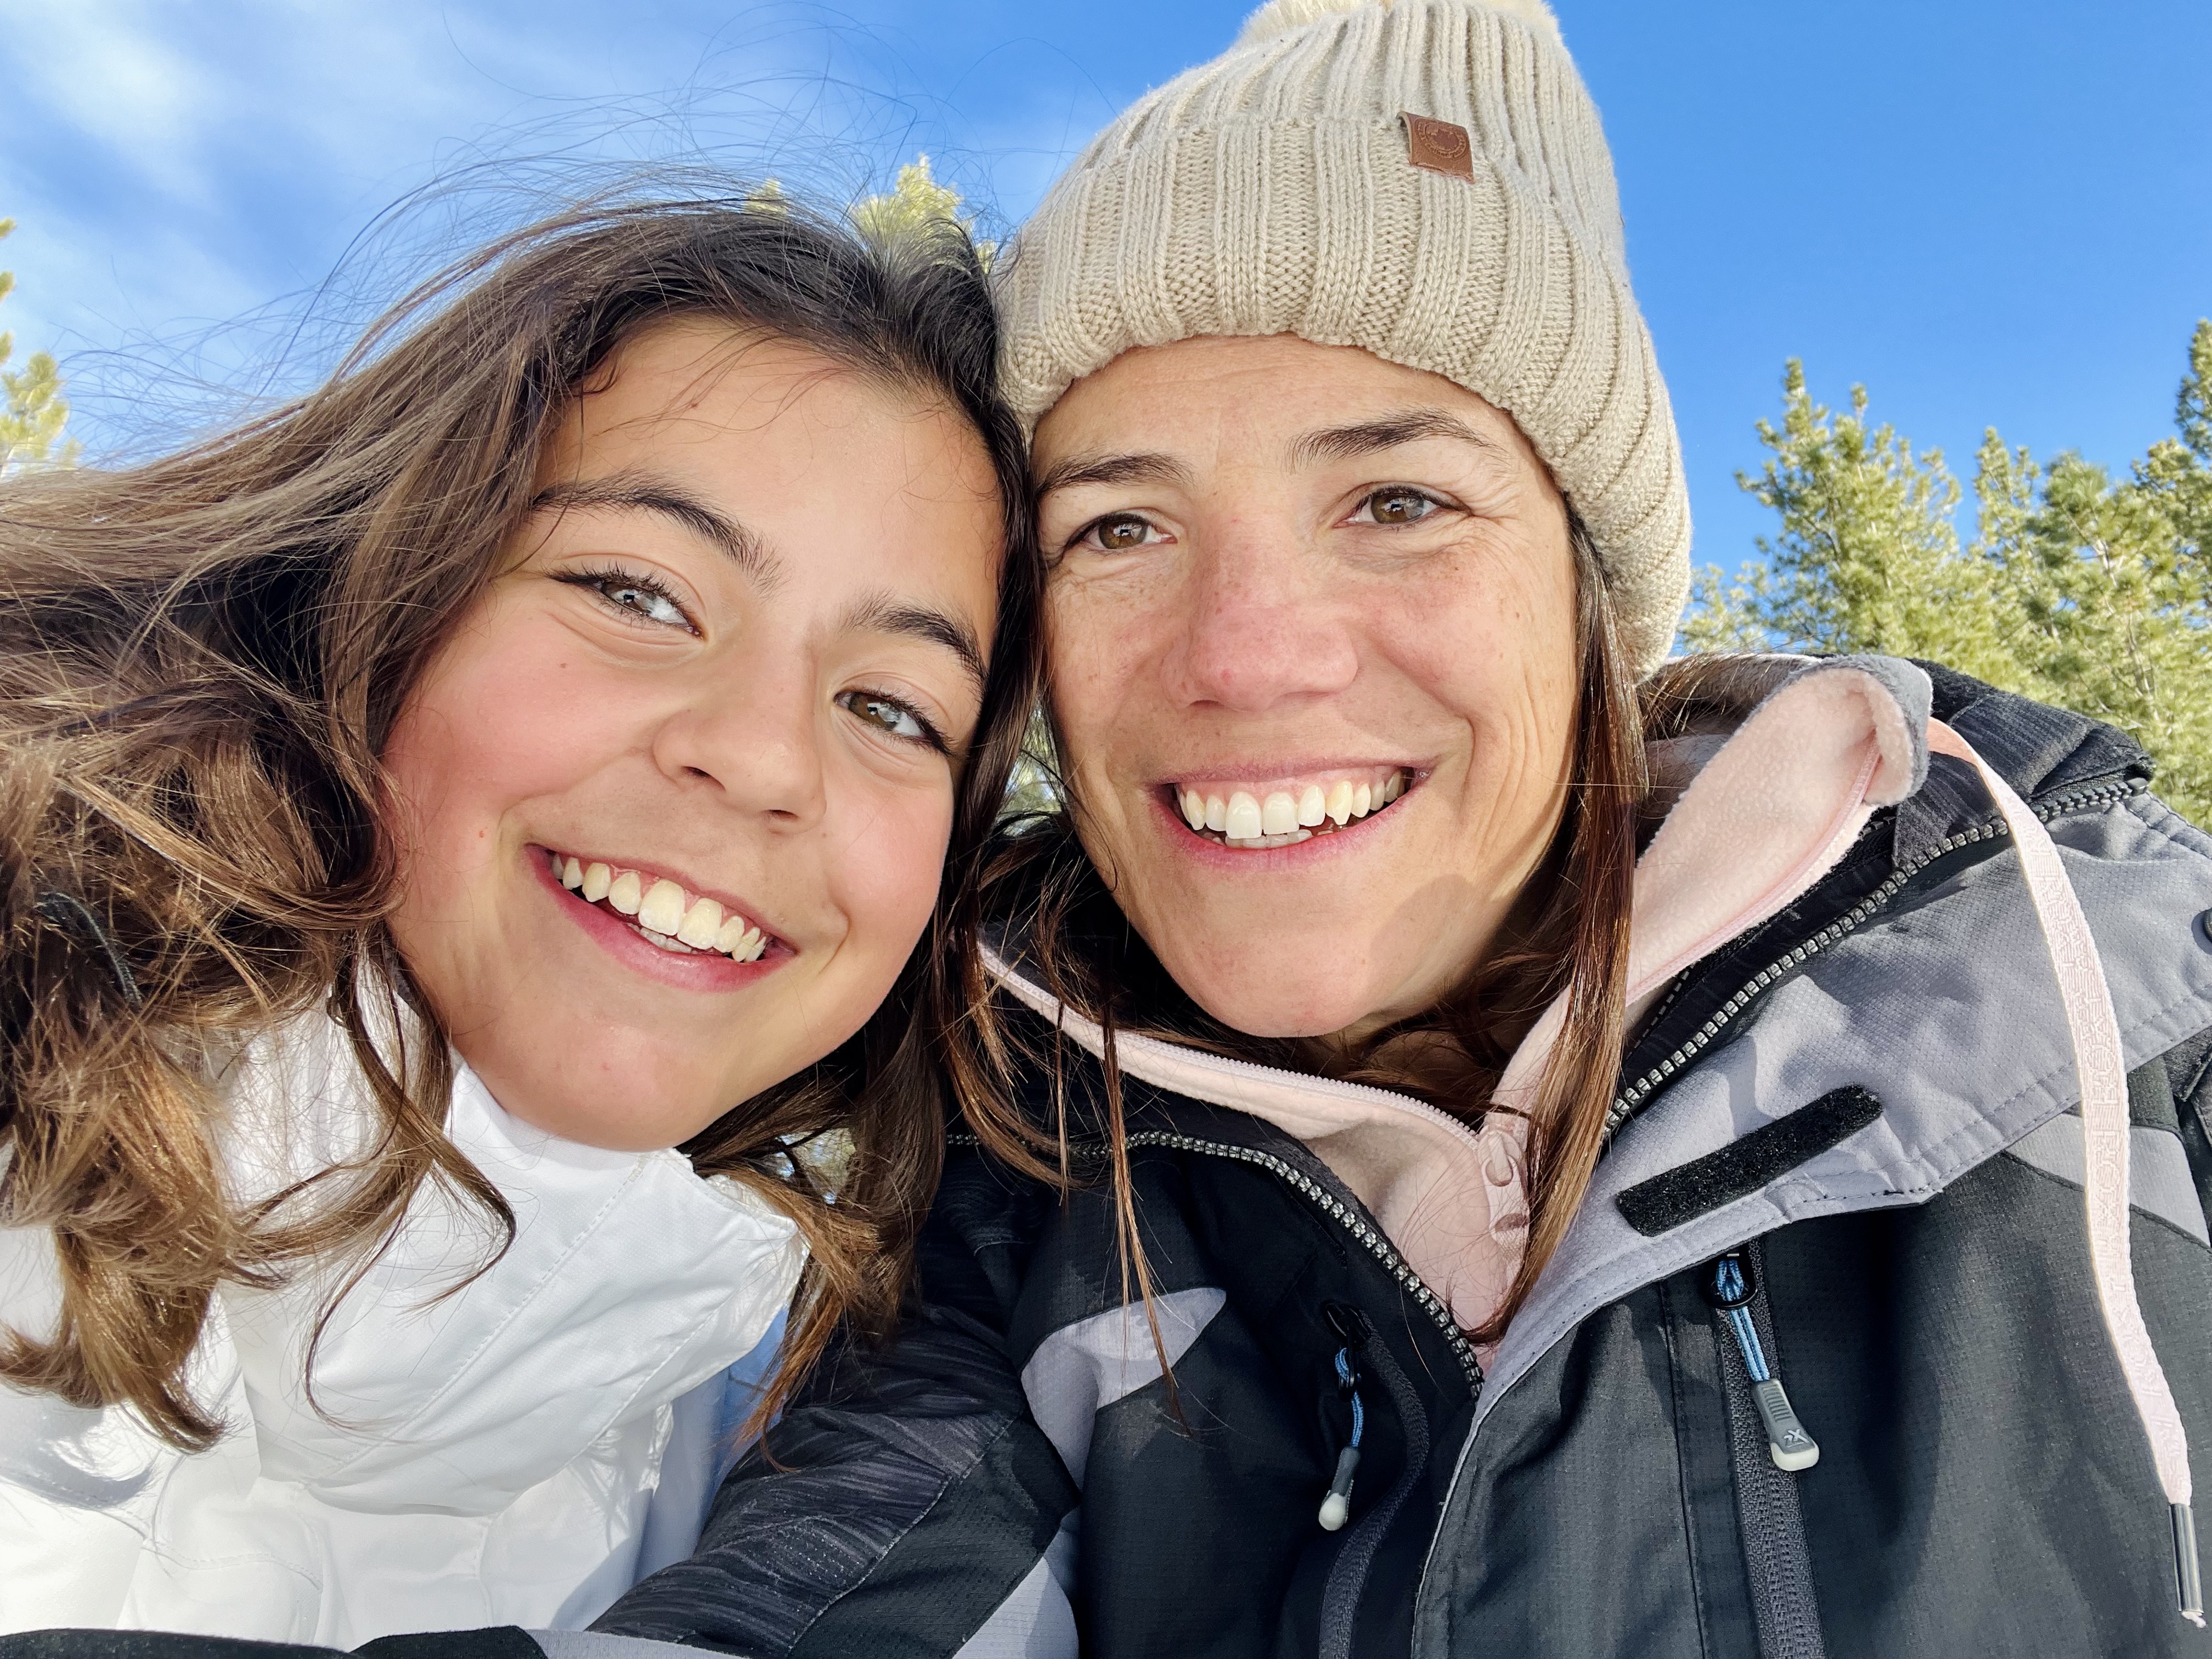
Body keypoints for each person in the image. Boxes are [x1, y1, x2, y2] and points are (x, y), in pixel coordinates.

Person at [582, 3, 2212, 1657]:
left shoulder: (2136, 1011)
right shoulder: (1012, 1204)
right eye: (1122, 525)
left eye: (1398, 502)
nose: (1243, 656)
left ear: (1589, 600)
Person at [0, 192, 1040, 1644]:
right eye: (639, 593)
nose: (762, 757)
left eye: (891, 706)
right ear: (376, 587)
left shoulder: (768, 1436)